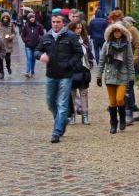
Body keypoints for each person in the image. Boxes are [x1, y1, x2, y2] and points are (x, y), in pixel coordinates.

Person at [38, 11, 83, 143]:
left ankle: (56, 132)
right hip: (51, 74)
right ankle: (61, 121)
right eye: (54, 22)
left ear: (63, 23)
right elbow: (37, 50)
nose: (56, 24)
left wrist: (69, 64)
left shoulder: (70, 36)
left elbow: (79, 52)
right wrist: (41, 56)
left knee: (62, 103)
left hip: (65, 75)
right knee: (50, 103)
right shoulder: (46, 37)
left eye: (58, 22)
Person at [96, 21, 134, 134]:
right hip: (110, 74)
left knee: (120, 99)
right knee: (112, 102)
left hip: (122, 74)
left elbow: (130, 62)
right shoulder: (107, 44)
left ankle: (122, 118)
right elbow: (102, 60)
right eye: (115, 31)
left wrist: (131, 78)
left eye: (119, 31)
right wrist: (99, 76)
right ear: (112, 33)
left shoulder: (127, 45)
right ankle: (113, 123)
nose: (117, 34)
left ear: (123, 33)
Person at [67, 20, 95, 125]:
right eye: (77, 28)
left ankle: (85, 116)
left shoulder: (84, 40)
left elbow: (89, 54)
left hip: (84, 69)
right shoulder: (68, 40)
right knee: (72, 93)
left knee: (84, 93)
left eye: (80, 28)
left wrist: (91, 61)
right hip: (73, 69)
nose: (79, 30)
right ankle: (72, 116)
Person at [20, 12, 45, 78]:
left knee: (33, 59)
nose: (32, 19)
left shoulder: (38, 25)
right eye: (30, 17)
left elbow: (42, 34)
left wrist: (39, 39)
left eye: (33, 17)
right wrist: (26, 41)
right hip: (28, 45)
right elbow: (23, 35)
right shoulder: (26, 26)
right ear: (28, 18)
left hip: (36, 45)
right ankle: (28, 71)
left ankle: (32, 70)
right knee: (29, 58)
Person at [0, 13, 16, 80]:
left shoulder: (11, 25)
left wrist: (11, 37)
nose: (5, 19)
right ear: (2, 18)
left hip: (8, 44)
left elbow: (15, 33)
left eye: (7, 18)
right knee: (0, 60)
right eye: (4, 18)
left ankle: (8, 67)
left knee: (8, 59)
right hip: (0, 44)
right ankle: (1, 73)